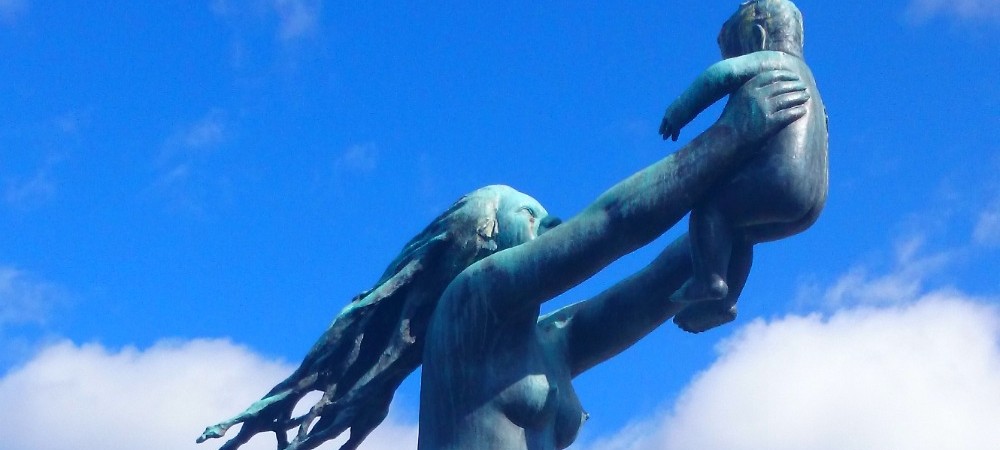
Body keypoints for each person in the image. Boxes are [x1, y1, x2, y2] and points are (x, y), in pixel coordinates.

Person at [197, 69, 811, 450]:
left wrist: (741, 213)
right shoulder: (471, 304)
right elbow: (613, 225)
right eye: (533, 218)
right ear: (485, 243)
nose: (554, 226)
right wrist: (729, 139)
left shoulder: (552, 343)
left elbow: (649, 289)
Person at [658, 0, 828, 333]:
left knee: (709, 209)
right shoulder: (813, 86)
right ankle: (723, 303)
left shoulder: (774, 61)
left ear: (757, 35)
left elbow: (718, 76)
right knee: (740, 234)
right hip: (812, 200)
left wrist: (680, 110)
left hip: (780, 182)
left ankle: (708, 280)